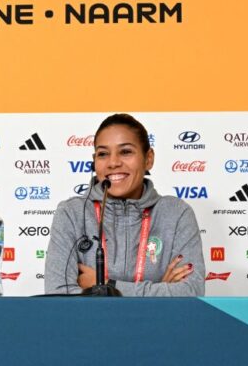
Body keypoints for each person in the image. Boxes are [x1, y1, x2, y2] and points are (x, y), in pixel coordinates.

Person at [45, 113, 205, 296]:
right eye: (103, 154)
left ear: (148, 159)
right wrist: (161, 290)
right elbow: (59, 295)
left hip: (157, 325)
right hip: (89, 325)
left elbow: (191, 292)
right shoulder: (71, 213)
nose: (113, 162)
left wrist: (107, 285)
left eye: (126, 151)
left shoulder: (176, 213)